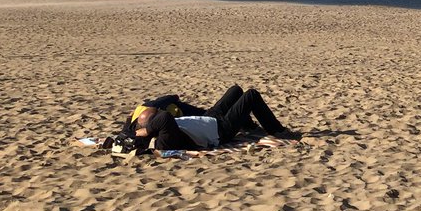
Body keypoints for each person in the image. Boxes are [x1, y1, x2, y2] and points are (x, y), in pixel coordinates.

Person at [125, 85, 300, 150]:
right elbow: (164, 118)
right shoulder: (164, 138)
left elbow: (128, 129)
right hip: (220, 130)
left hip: (209, 118)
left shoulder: (144, 130)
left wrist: (133, 123)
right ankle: (277, 130)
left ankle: (248, 126)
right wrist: (147, 129)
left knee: (235, 90)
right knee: (251, 95)